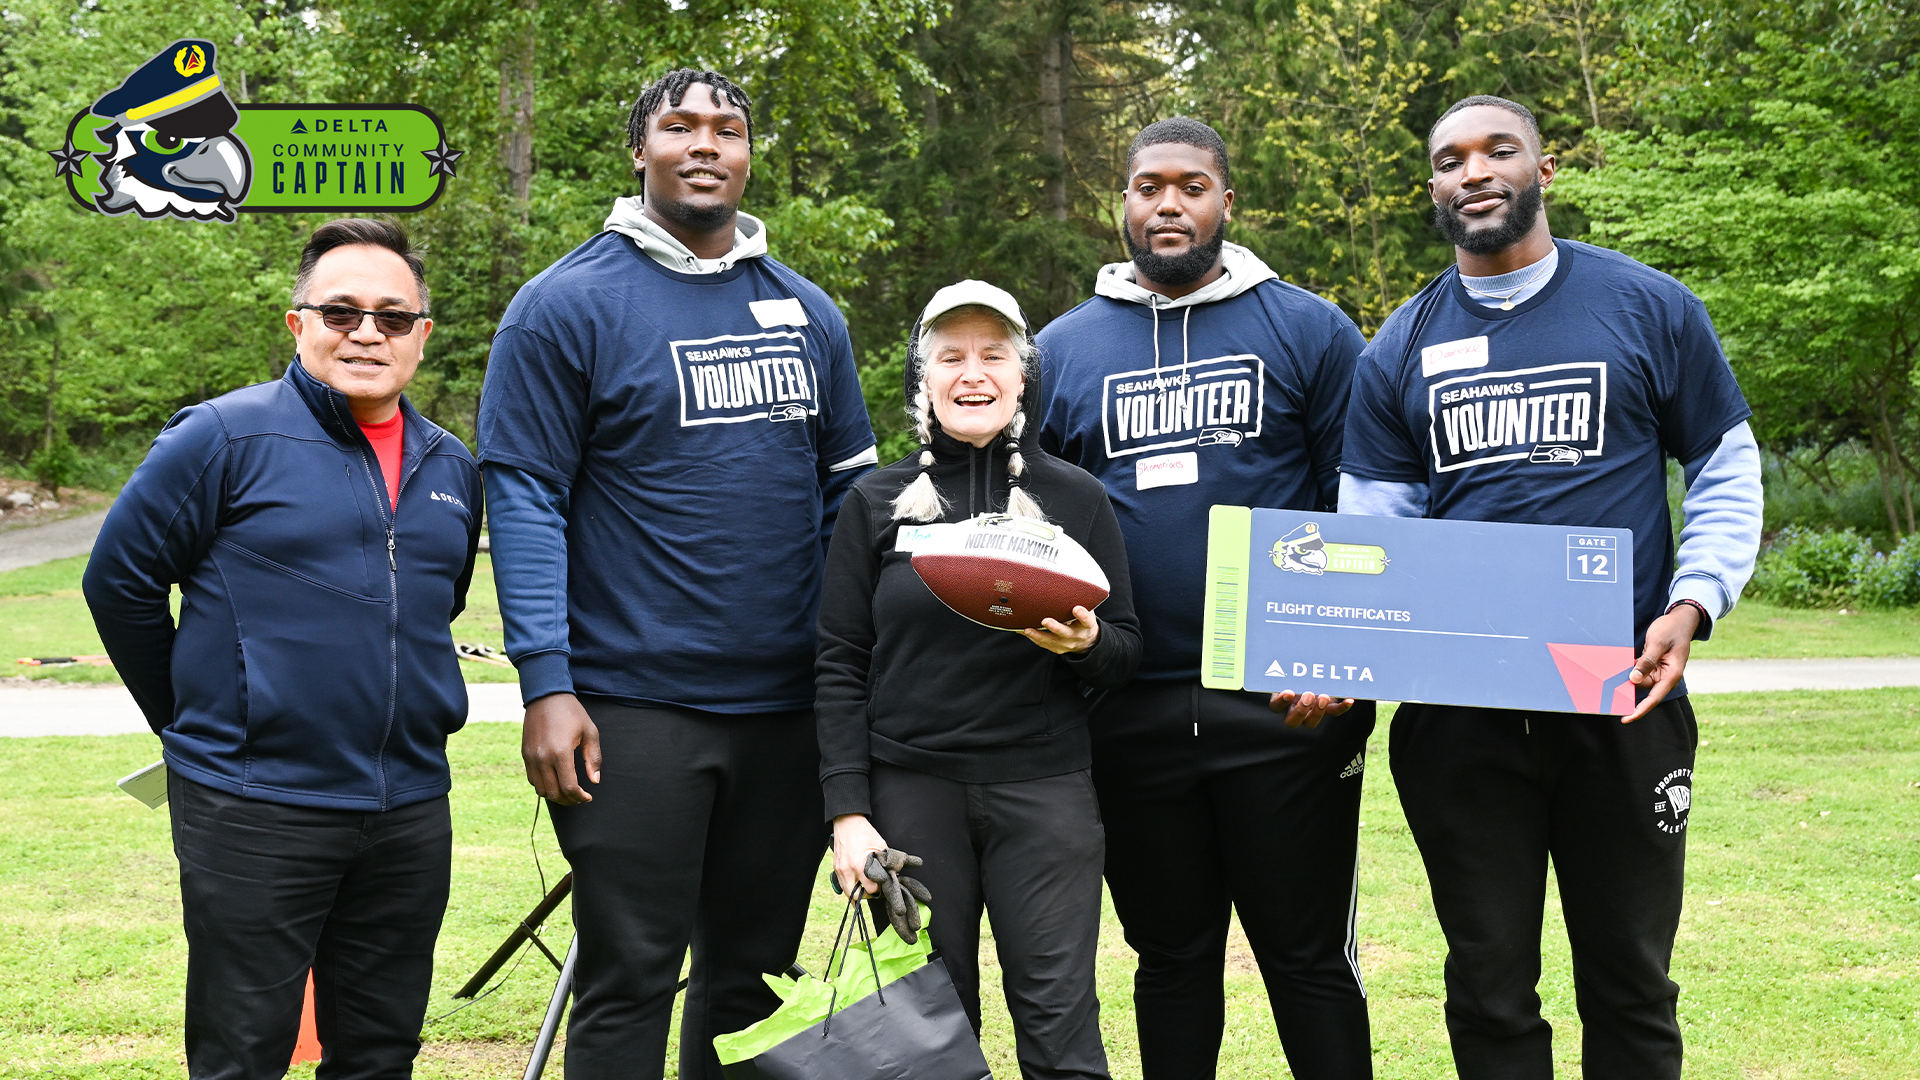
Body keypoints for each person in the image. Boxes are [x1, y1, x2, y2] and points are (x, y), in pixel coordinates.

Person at [1340, 95, 1763, 1079]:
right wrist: (1347, 647)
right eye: (1451, 160)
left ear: (1546, 167)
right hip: (1461, 718)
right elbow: (1376, 536)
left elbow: (1726, 466)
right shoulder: (1398, 346)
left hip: (1621, 694)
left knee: (1630, 981)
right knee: (1487, 988)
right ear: (1433, 187)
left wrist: (1692, 601)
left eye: (1499, 150)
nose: (1475, 171)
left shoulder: (1649, 306)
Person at [475, 68, 877, 1080]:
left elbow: (849, 508)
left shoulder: (809, 313)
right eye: (681, 125)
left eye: (729, 128)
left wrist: (858, 678)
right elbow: (523, 500)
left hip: (786, 715)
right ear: (639, 149)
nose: (707, 143)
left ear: (749, 153)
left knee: (753, 982)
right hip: (629, 708)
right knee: (631, 972)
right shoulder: (562, 306)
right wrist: (547, 685)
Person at [83, 218, 482, 1078]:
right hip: (255, 804)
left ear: (422, 333)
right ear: (297, 324)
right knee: (242, 1054)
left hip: (409, 809)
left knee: (380, 1051)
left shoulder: (454, 468)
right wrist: (202, 721)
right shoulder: (221, 438)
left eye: (392, 315)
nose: (367, 332)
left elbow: (427, 609)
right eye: (341, 312)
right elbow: (118, 584)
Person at [1035, 117, 1375, 1080]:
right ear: (1125, 203)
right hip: (1126, 709)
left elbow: (1360, 508)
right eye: (1149, 187)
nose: (1168, 204)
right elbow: (1041, 520)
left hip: (1284, 706)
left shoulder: (1307, 328)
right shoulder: (1063, 348)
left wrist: (1343, 661)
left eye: (1191, 186)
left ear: (1228, 200)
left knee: (1306, 961)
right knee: (1171, 960)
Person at [817, 280, 1141, 1080]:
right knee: (931, 1032)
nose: (973, 373)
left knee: (1060, 1021)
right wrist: (848, 814)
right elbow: (838, 662)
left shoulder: (1075, 497)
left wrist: (1085, 642)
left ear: (1023, 373)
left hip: (1046, 795)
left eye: (994, 355)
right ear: (922, 378)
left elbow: (1126, 651)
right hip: (912, 796)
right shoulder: (876, 502)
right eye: (951, 356)